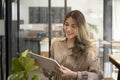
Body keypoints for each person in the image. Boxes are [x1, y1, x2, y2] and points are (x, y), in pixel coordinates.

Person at [43, 10, 103, 80]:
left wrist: (75, 75)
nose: (68, 29)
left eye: (73, 26)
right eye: (66, 24)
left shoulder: (87, 49)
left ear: (81, 28)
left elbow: (98, 76)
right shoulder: (56, 44)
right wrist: (44, 66)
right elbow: (51, 74)